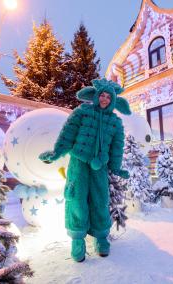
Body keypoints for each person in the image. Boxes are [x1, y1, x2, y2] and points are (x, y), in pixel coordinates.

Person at [39, 78, 131, 262]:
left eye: (108, 97)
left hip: (100, 166)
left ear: (113, 101)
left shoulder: (115, 122)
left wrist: (116, 168)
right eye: (102, 95)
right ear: (95, 96)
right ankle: (77, 239)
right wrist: (56, 153)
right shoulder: (82, 112)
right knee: (76, 198)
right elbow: (68, 134)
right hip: (79, 163)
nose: (104, 99)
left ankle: (101, 236)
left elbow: (116, 147)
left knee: (100, 200)